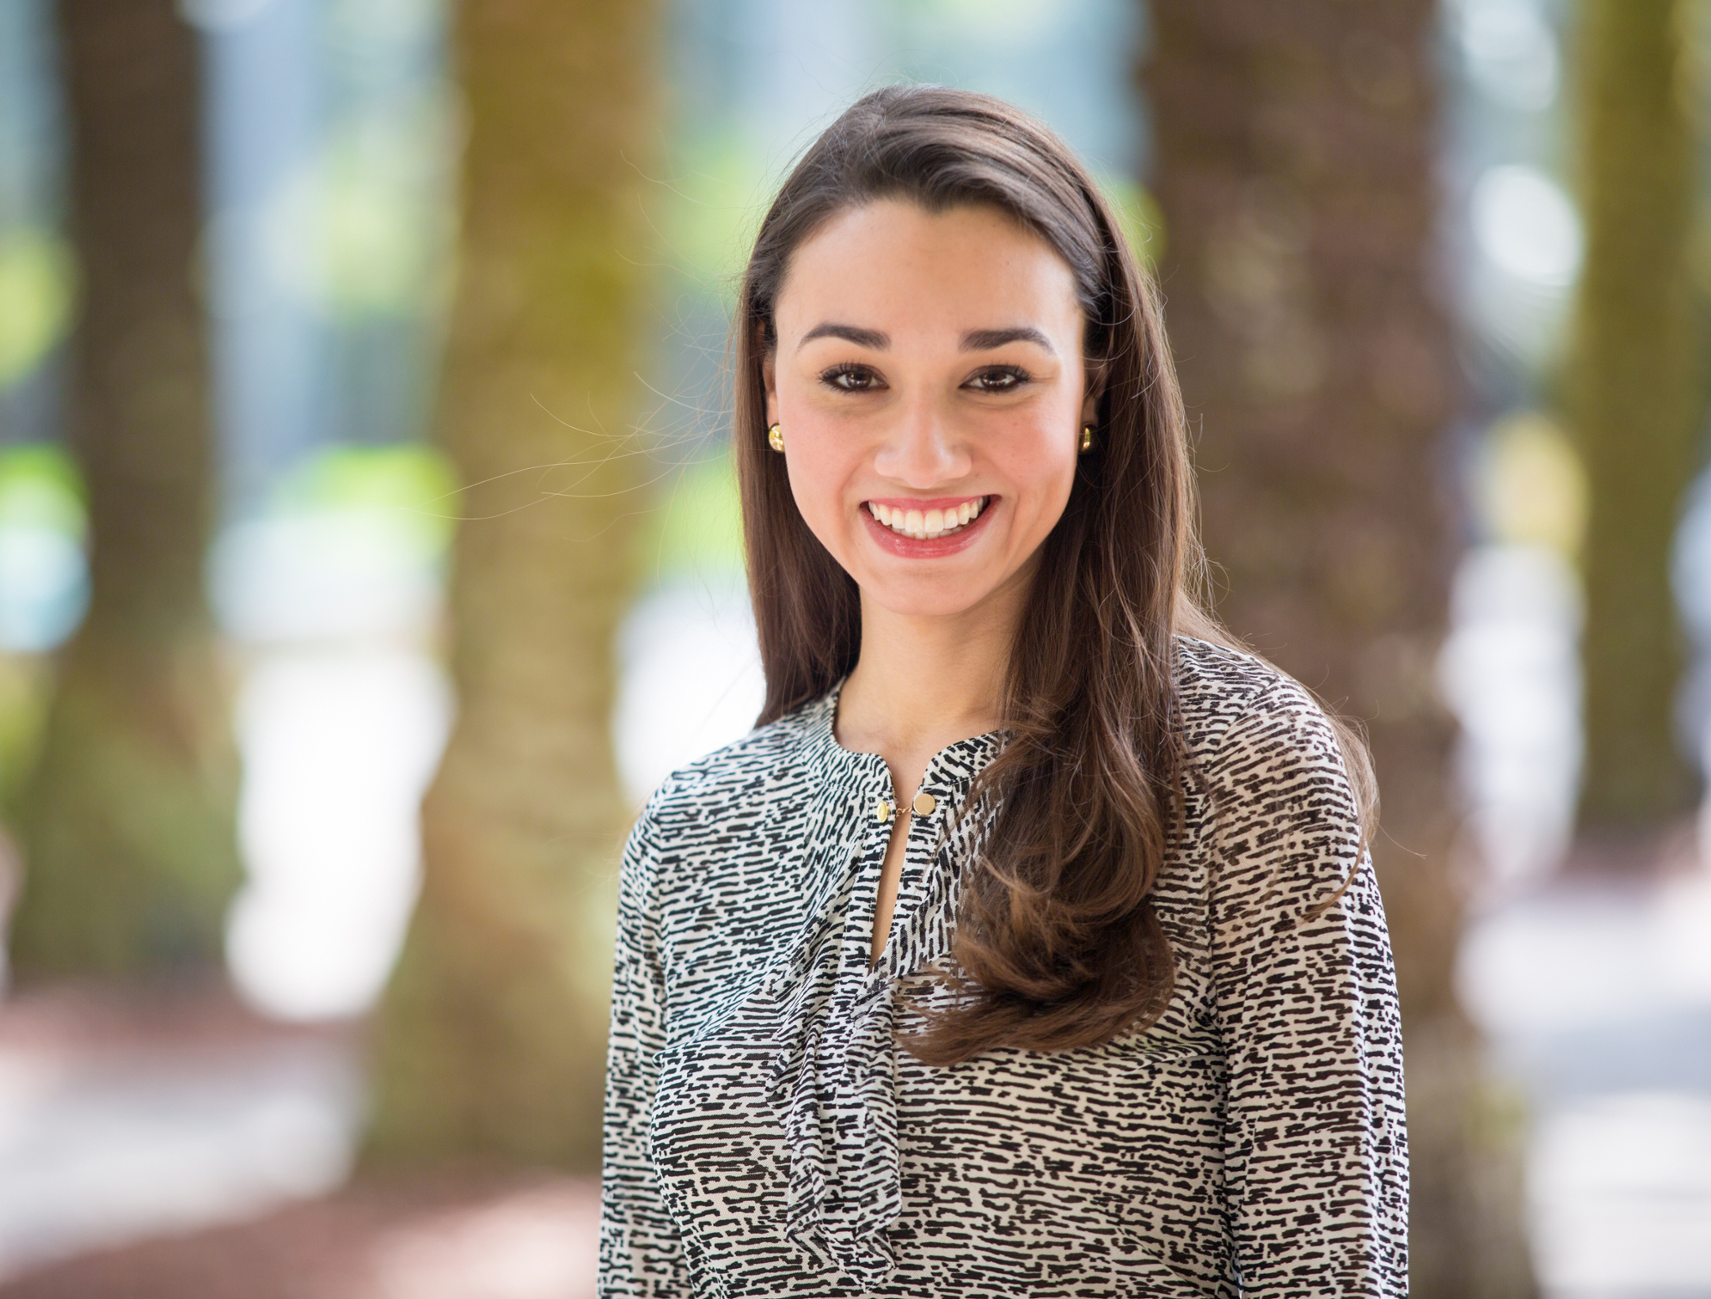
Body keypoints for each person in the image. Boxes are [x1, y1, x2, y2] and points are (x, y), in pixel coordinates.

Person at [599, 86, 1406, 1298]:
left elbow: (1329, 1273)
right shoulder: (693, 839)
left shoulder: (1243, 774)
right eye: (853, 378)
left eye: (994, 379)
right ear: (771, 391)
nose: (922, 455)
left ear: (1091, 387)